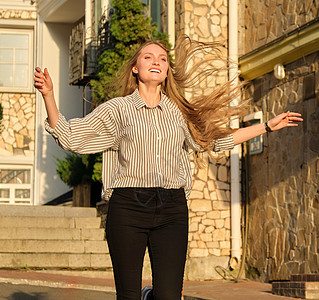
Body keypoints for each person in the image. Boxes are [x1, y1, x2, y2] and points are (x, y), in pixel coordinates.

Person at [34, 35, 302, 300]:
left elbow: (215, 142)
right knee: (127, 295)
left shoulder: (180, 112)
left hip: (172, 208)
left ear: (166, 72)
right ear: (135, 69)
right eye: (148, 57)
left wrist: (265, 126)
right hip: (128, 206)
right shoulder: (117, 110)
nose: (156, 61)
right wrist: (49, 95)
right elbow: (71, 137)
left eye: (162, 59)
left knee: (170, 296)